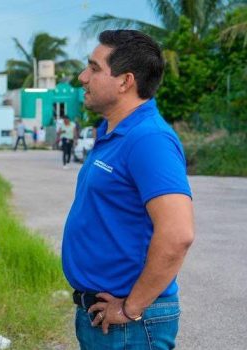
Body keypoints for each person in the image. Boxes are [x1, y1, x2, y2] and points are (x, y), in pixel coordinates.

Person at [63, 30, 194, 349]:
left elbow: (178, 234)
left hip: (130, 326)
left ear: (125, 81)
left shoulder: (149, 139)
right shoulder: (114, 132)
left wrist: (131, 308)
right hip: (102, 316)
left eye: (94, 68)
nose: (83, 77)